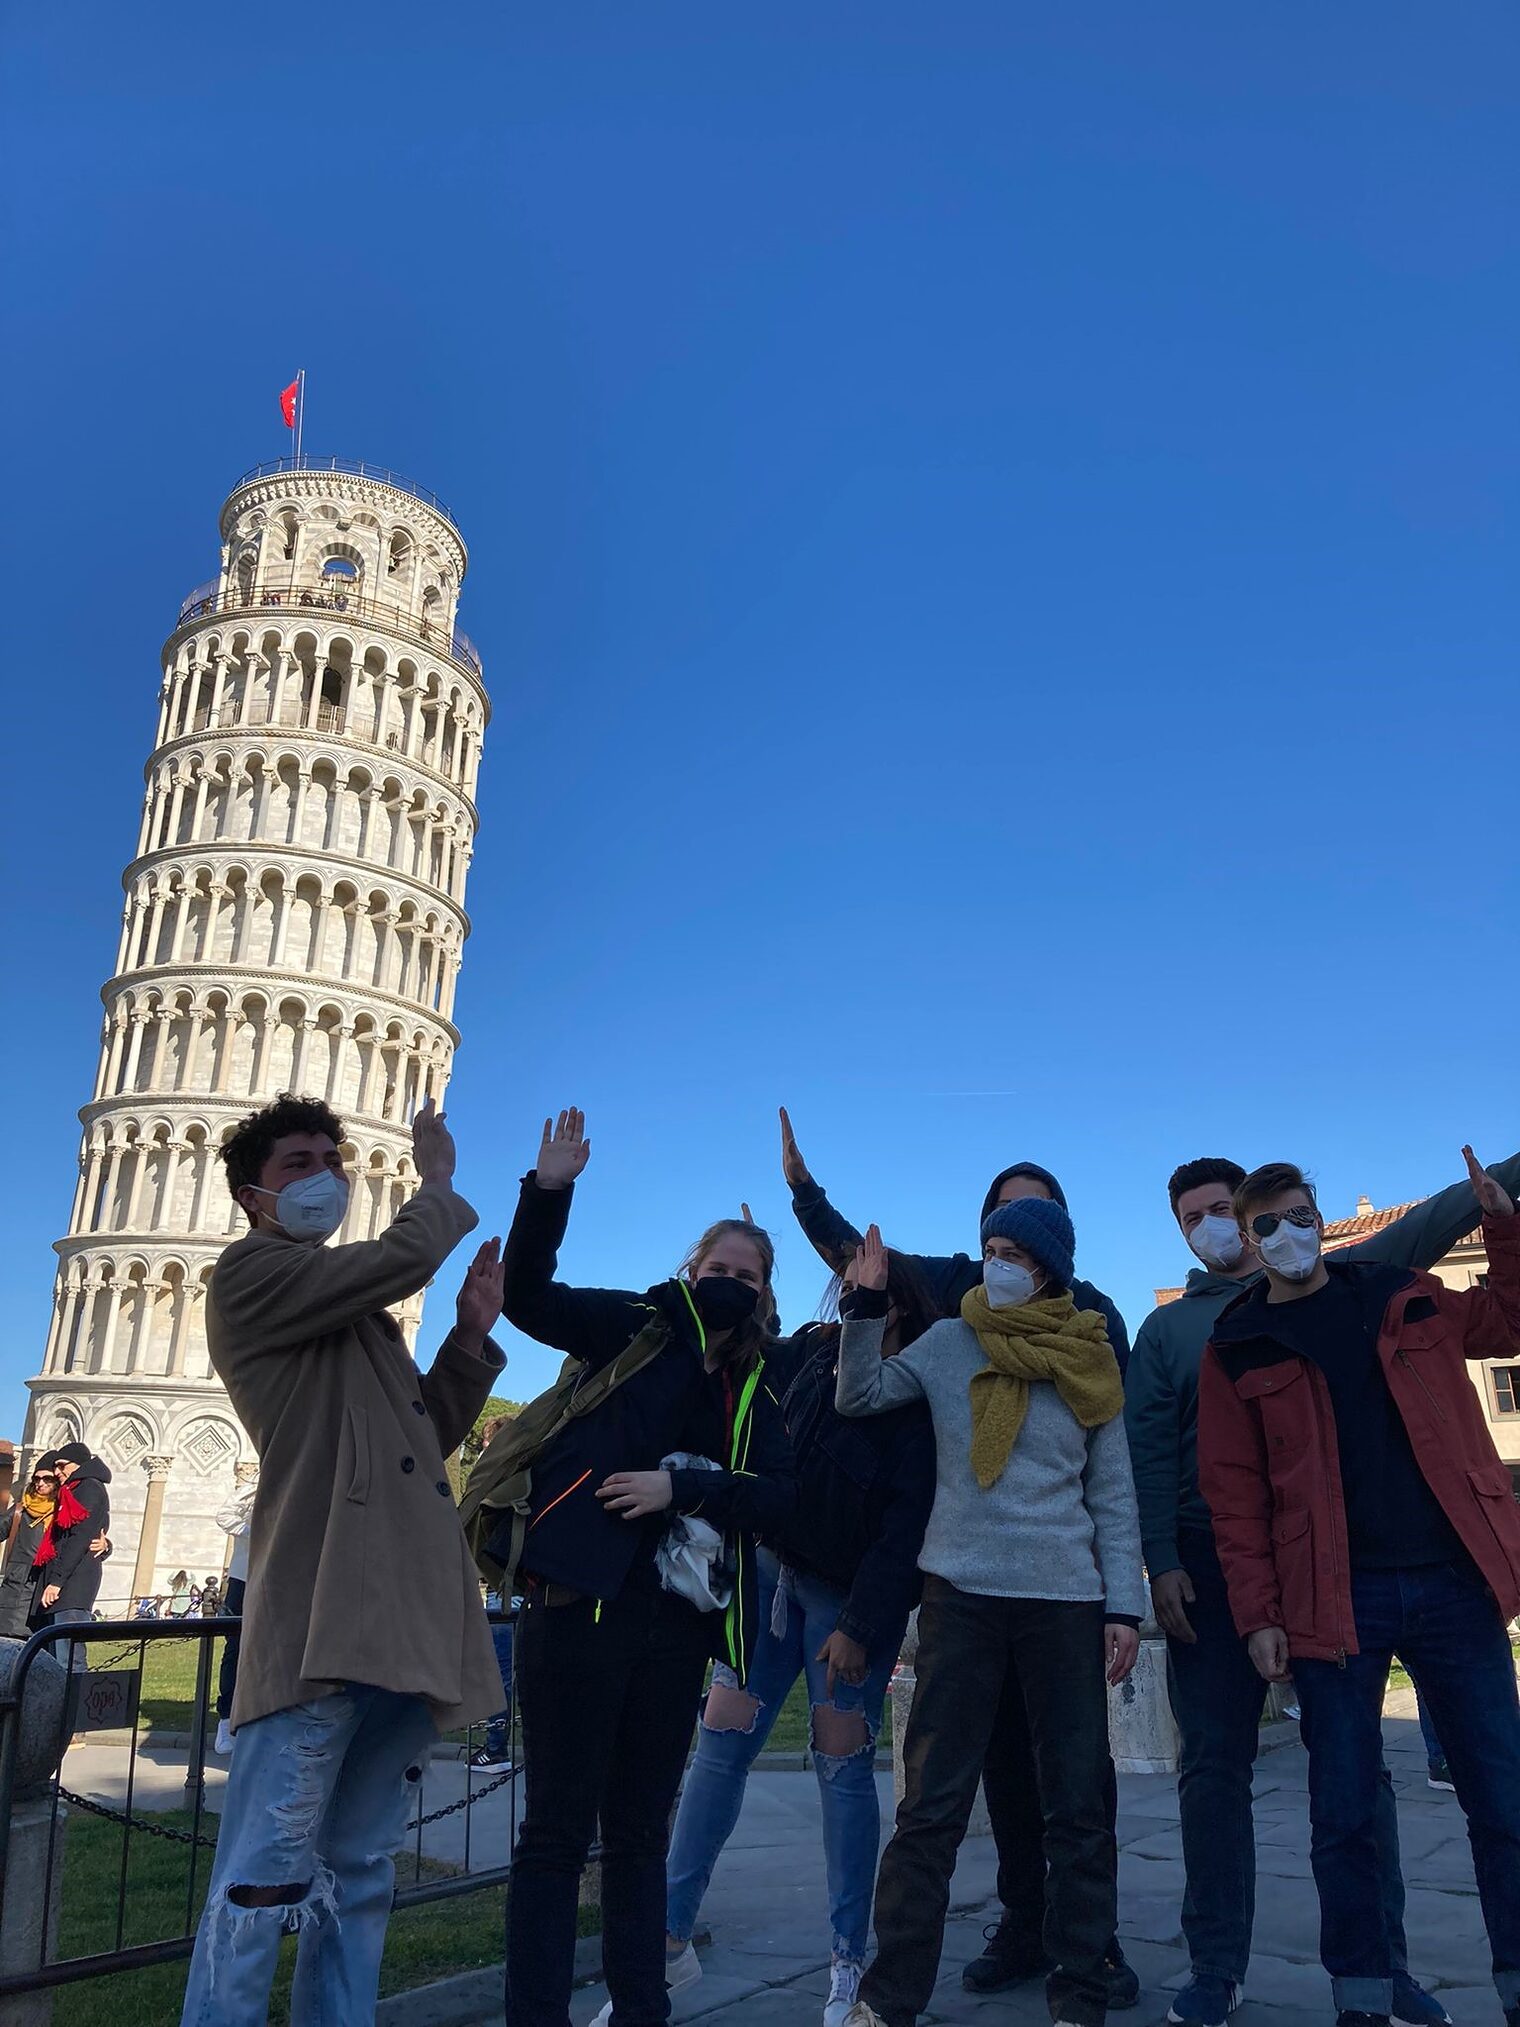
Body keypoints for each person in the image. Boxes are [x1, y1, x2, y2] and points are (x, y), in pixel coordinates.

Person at [1126, 1147, 1520, 2027]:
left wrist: (1501, 1210)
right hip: (1267, 1572)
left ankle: (1424, 1972)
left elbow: (1488, 1292)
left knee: (1436, 1788)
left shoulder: (1387, 1287)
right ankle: (1270, 1976)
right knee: (1266, 1783)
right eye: (1203, 1218)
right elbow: (1187, 1470)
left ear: (1302, 1214)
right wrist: (1168, 1565)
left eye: (1242, 1209)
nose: (1230, 1227)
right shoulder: (1198, 1336)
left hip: (1395, 1569)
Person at [780, 1109, 1140, 2001]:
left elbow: (1114, 1488)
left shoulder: (1092, 1349)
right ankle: (889, 1994)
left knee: (1078, 1802)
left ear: (1052, 1261)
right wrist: (859, 1301)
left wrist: (1122, 1603)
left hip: (1061, 1596)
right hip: (961, 1596)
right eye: (992, 1245)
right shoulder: (950, 1338)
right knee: (934, 1805)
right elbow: (859, 1388)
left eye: (1019, 1251)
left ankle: (1085, 1974)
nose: (1000, 1263)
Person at [180, 1093, 509, 2027]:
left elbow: (424, 1436)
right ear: (253, 1194)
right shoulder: (250, 1275)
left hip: (397, 1621)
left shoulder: (355, 1316)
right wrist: (436, 1183)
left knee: (358, 1869)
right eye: (299, 1162)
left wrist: (470, 1338)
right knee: (262, 1883)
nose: (325, 1172)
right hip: (325, 1615)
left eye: (333, 1156)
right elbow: (404, 1254)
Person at [499, 1108, 796, 2027]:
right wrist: (549, 1190)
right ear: (689, 1270)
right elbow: (530, 1298)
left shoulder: (762, 1380)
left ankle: (642, 2009)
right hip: (578, 1603)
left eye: (747, 1278)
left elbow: (778, 1497)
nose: (730, 1287)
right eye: (718, 1272)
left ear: (766, 1293)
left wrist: (685, 1489)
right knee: (554, 1835)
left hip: (673, 1628)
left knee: (637, 1835)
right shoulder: (638, 1324)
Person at [645, 1248, 938, 2027]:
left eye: (867, 1296)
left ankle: (848, 1957)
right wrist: (740, 1280)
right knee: (718, 1748)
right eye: (846, 1292)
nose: (851, 1305)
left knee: (841, 1768)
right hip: (767, 1584)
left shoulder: (914, 1395)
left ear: (898, 1309)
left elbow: (905, 1526)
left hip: (845, 1606)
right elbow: (744, 1353)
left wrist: (862, 1624)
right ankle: (668, 1938)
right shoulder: (812, 1351)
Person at [29, 1441, 113, 1665]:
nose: (57, 1472)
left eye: (61, 1466)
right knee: (55, 1655)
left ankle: (72, 1700)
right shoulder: (73, 1490)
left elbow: (80, 1537)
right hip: (64, 1581)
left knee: (69, 1658)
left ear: (77, 1465)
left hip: (74, 1584)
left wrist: (57, 1582)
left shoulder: (88, 1488)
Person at [472, 1418, 515, 1773]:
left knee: (498, 1674)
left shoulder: (494, 1482)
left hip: (502, 1591)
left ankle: (496, 1748)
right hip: (526, 1591)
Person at [213, 1472, 257, 1756]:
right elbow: (224, 1515)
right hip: (244, 1576)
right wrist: (259, 1529)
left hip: (281, 1576)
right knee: (236, 1646)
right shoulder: (256, 1483)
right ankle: (226, 1718)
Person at [0, 1456, 59, 1639]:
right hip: (15, 1592)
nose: (40, 1484)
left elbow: (82, 1543)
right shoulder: (21, 1511)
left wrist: (106, 1547)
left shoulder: (64, 1511)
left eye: (47, 1479)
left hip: (47, 1593)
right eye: (36, 1479)